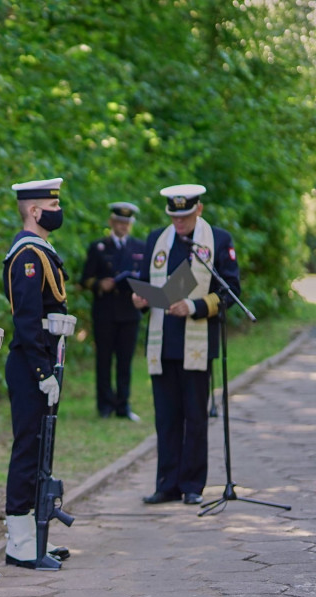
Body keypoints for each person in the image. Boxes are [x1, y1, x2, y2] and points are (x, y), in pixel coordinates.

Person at [132, 184, 241, 505]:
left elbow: (230, 291)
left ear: (199, 210)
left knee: (194, 416)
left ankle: (193, 484)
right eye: (174, 217)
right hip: (162, 341)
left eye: (185, 216)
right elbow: (143, 280)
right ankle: (167, 483)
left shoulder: (218, 240)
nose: (179, 223)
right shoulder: (157, 239)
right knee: (166, 416)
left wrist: (194, 307)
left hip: (197, 343)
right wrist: (138, 298)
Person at [1, 178, 72, 569]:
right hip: (31, 365)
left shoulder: (41, 249)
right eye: (50, 204)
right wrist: (43, 371)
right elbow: (27, 320)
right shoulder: (27, 253)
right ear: (33, 210)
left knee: (40, 449)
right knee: (28, 449)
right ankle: (19, 541)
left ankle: (34, 535)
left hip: (42, 361)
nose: (55, 210)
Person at [80, 202, 147, 421]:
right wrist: (100, 284)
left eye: (127, 222)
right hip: (106, 312)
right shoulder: (99, 247)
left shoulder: (140, 247)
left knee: (125, 361)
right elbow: (85, 280)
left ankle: (123, 405)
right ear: (112, 222)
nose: (123, 226)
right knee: (104, 359)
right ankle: (105, 405)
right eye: (119, 222)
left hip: (130, 312)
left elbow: (145, 279)